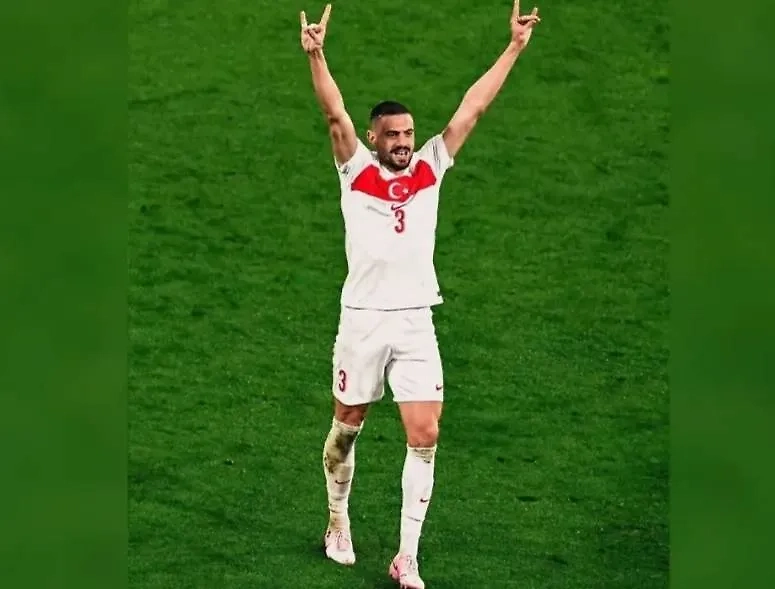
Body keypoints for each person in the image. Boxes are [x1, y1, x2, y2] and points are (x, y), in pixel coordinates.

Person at [299, 3, 540, 587]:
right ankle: (337, 521)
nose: (404, 142)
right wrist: (317, 54)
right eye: (394, 135)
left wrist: (513, 47)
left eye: (408, 133)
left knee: (425, 435)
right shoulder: (355, 170)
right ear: (374, 137)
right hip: (362, 320)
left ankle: (406, 555)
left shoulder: (432, 165)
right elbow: (333, 113)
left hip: (414, 320)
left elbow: (473, 107)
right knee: (346, 427)